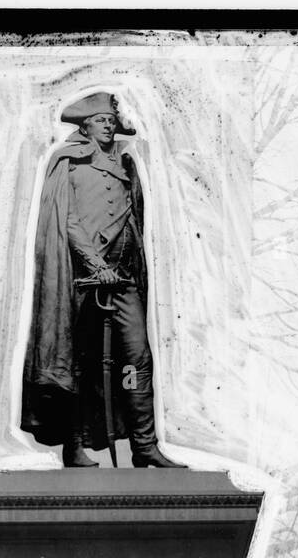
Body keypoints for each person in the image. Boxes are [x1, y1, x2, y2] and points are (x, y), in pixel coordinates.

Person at [21, 91, 179, 469]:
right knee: (78, 362)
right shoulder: (69, 163)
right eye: (101, 120)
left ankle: (145, 447)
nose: (108, 125)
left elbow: (134, 220)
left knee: (136, 358)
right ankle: (73, 447)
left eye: (111, 120)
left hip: (122, 278)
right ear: (85, 125)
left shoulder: (125, 163)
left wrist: (121, 266)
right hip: (81, 280)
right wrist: (94, 264)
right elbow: (67, 221)